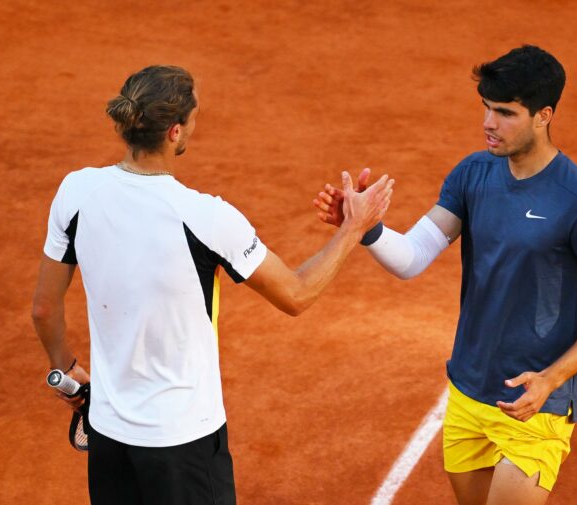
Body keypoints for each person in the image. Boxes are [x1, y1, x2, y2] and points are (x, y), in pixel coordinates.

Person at [32, 65, 393, 505]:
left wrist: (64, 371)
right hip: (185, 444)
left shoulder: (76, 191)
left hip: (108, 436)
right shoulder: (205, 216)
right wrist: (353, 228)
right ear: (175, 131)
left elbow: (44, 309)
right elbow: (297, 294)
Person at [313, 45, 577, 505]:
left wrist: (550, 379)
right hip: (467, 390)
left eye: (505, 112)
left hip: (534, 404)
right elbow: (413, 257)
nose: (488, 122)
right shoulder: (473, 174)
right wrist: (365, 229)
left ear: (543, 115)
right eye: (486, 108)